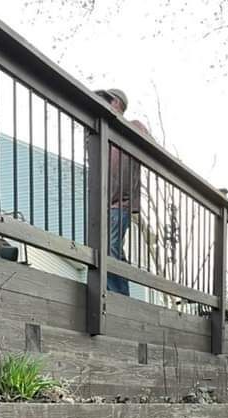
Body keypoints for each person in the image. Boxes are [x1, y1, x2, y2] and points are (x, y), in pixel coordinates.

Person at [97, 88, 151, 296]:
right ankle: (120, 291)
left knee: (111, 248)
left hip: (122, 203)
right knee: (112, 249)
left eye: (107, 101)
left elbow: (149, 144)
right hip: (104, 204)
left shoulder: (132, 127)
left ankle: (117, 295)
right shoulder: (104, 134)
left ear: (117, 103)